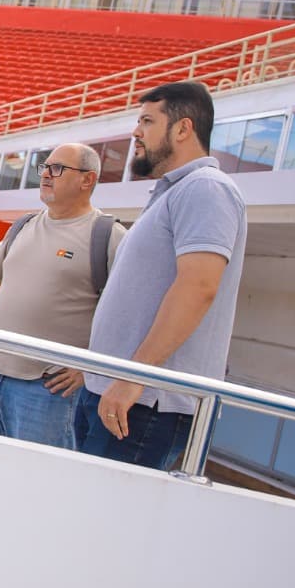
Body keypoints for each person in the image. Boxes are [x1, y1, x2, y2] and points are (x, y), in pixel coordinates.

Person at [79, 80, 248, 470]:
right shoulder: (173, 192)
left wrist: (132, 377)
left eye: (147, 121)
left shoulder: (206, 188)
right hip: (118, 392)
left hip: (144, 403)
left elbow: (199, 287)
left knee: (103, 522)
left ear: (183, 129)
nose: (136, 132)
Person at [0, 143, 125, 449]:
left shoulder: (109, 236)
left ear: (87, 180)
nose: (46, 174)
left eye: (58, 168)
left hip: (47, 391)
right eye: (45, 167)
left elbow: (129, 314)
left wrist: (89, 367)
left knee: (35, 486)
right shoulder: (23, 226)